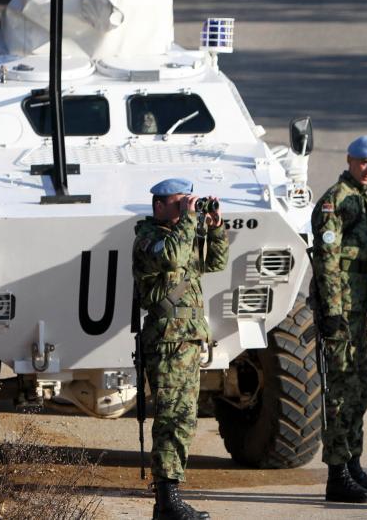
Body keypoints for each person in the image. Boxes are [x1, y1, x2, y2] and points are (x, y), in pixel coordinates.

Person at [132, 177, 228, 520]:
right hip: (166, 342)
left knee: (185, 418)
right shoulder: (148, 240)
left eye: (188, 202)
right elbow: (172, 261)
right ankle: (166, 500)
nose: (185, 208)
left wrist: (215, 228)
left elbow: (215, 262)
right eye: (178, 203)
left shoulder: (182, 237)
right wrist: (189, 221)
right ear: (159, 206)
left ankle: (171, 496)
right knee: (171, 419)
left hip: (186, 342)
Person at [310, 135, 367, 503]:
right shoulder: (335, 201)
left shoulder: (362, 199)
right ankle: (337, 473)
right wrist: (331, 313)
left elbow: (364, 265)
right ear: (350, 160)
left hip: (356, 313)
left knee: (361, 390)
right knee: (339, 393)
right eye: (364, 163)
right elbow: (327, 262)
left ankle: (354, 464)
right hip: (339, 314)